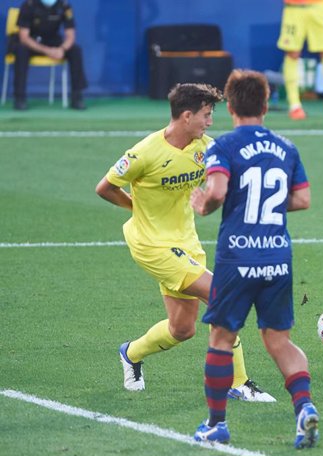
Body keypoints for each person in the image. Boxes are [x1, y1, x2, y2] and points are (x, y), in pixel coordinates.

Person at [95, 83, 275, 403]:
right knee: (220, 294)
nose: (210, 122)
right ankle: (238, 381)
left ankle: (131, 354)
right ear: (187, 115)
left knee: (182, 329)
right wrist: (136, 207)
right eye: (206, 115)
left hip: (185, 242)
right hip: (151, 244)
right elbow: (105, 187)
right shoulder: (144, 152)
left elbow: (227, 182)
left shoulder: (206, 148)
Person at [190, 70, 318, 448]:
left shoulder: (224, 146)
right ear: (265, 106)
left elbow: (216, 189)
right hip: (278, 255)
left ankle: (216, 425)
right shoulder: (286, 147)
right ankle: (305, 407)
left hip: (237, 257)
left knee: (221, 337)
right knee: (279, 340)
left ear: (229, 106)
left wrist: (205, 205)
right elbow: (303, 199)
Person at [12, 0, 88, 110]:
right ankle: (19, 98)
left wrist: (62, 49)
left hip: (53, 41)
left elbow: (70, 35)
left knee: (75, 50)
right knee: (20, 50)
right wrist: (47, 51)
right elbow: (24, 37)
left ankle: (77, 97)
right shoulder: (29, 5)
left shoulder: (64, 5)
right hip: (32, 42)